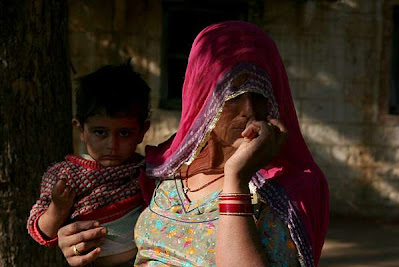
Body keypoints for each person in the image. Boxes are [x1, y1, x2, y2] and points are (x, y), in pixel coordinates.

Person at [58, 21, 329, 267]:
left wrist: (235, 178)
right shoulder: (164, 170)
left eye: (259, 94)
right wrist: (81, 246)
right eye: (232, 93)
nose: (248, 110)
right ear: (204, 97)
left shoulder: (287, 188)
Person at [27, 63, 154, 266]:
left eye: (124, 133)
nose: (112, 145)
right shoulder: (64, 176)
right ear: (80, 129)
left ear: (142, 131)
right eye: (100, 132)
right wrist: (58, 207)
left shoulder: (145, 170)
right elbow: (43, 231)